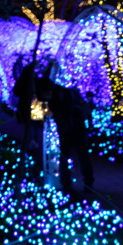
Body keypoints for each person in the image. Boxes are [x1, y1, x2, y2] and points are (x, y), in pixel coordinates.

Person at [37, 63, 94, 192]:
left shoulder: (63, 93)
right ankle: (67, 183)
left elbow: (66, 111)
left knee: (80, 155)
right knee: (66, 156)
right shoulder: (53, 94)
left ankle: (87, 182)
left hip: (75, 127)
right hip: (66, 129)